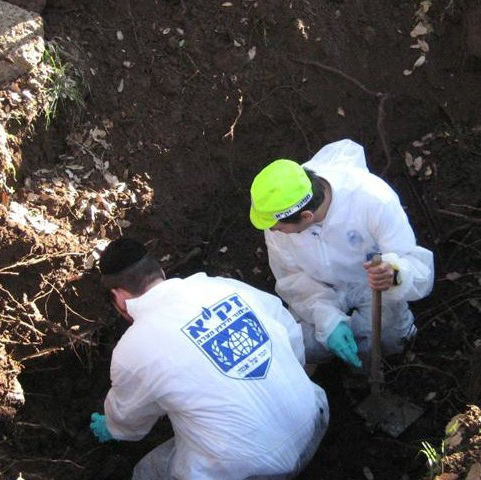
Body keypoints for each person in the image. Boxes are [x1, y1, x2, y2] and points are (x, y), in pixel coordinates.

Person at [89, 238, 329, 480]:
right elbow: (290, 335)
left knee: (146, 472)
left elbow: (130, 421)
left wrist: (113, 427)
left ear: (119, 297)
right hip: (314, 420)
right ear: (160, 272)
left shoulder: (132, 349)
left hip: (251, 473)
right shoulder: (223, 287)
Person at [248, 138, 434, 369]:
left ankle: (384, 366)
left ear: (306, 216)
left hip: (372, 284)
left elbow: (416, 265)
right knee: (299, 344)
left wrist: (395, 274)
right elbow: (293, 279)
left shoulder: (372, 200)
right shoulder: (277, 216)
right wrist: (329, 319)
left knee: (389, 336)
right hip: (320, 287)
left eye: (277, 226)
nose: (272, 230)